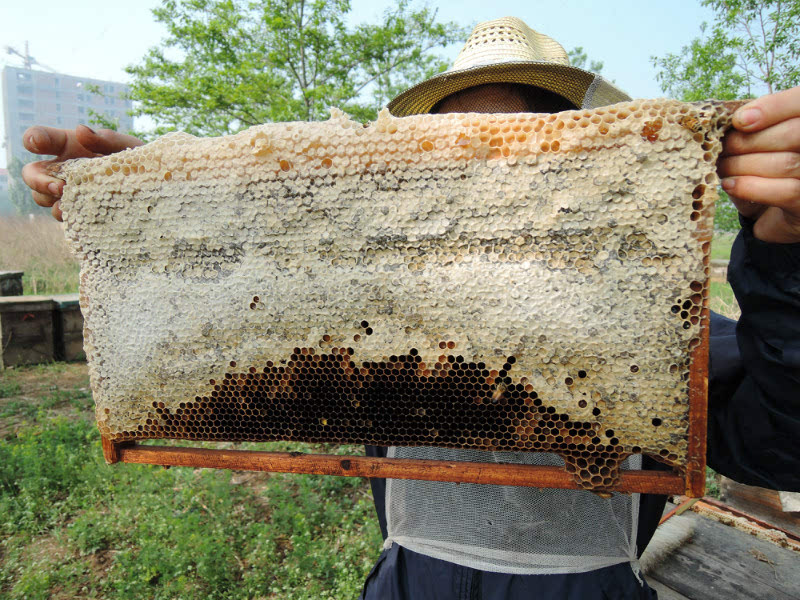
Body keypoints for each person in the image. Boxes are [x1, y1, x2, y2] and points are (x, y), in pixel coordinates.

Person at [21, 16, 800, 600]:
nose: (481, 187)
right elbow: (263, 281)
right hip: (410, 576)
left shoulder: (647, 325)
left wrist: (786, 261)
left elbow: (778, 444)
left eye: (514, 157)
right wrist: (173, 200)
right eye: (459, 156)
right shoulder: (369, 301)